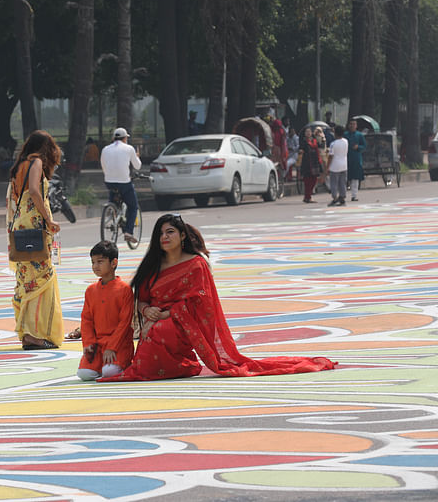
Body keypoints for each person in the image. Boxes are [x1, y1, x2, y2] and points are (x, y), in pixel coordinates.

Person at [99, 214, 336, 382]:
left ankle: (184, 364)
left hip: (181, 324)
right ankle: (185, 365)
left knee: (159, 334)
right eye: (160, 233)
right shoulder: (152, 264)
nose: (164, 237)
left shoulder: (195, 264)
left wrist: (167, 314)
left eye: (170, 232)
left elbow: (200, 301)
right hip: (154, 321)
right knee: (151, 347)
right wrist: (146, 310)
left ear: (182, 236)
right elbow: (142, 296)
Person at [7, 130, 64, 350]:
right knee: (42, 278)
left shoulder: (19, 165)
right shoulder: (37, 162)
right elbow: (34, 191)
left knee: (26, 279)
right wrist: (48, 219)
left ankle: (27, 331)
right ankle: (35, 334)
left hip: (20, 223)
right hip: (34, 224)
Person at [76, 240, 135, 381]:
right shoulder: (90, 291)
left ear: (114, 263)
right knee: (84, 374)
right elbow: (86, 320)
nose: (95, 266)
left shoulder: (125, 290)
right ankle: (100, 364)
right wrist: (88, 344)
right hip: (97, 345)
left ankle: (121, 362)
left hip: (119, 344)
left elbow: (124, 323)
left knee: (109, 372)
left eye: (100, 262)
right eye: (93, 262)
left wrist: (112, 347)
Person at [100, 127, 141, 244]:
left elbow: (103, 165)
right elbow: (137, 166)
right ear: (125, 138)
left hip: (109, 182)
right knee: (133, 206)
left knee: (113, 198)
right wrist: (137, 156)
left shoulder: (105, 149)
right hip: (124, 183)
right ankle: (128, 231)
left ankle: (112, 212)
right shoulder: (129, 148)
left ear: (113, 138)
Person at [296, 127, 323, 203]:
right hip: (307, 163)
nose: (308, 133)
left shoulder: (315, 140)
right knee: (307, 180)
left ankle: (308, 195)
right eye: (307, 132)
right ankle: (307, 197)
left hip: (315, 162)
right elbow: (301, 149)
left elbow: (320, 146)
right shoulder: (303, 141)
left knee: (314, 179)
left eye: (309, 131)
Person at [345, 119, 366, 201]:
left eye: (354, 124)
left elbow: (364, 146)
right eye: (351, 124)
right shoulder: (345, 135)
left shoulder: (359, 135)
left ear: (356, 126)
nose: (352, 126)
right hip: (346, 158)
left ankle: (354, 195)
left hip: (356, 158)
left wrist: (358, 147)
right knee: (346, 177)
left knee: (355, 178)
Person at [327, 125, 348, 207]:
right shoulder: (346, 141)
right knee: (342, 182)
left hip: (335, 166)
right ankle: (342, 197)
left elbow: (330, 156)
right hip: (344, 165)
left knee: (334, 183)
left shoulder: (333, 144)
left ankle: (335, 198)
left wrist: (327, 167)